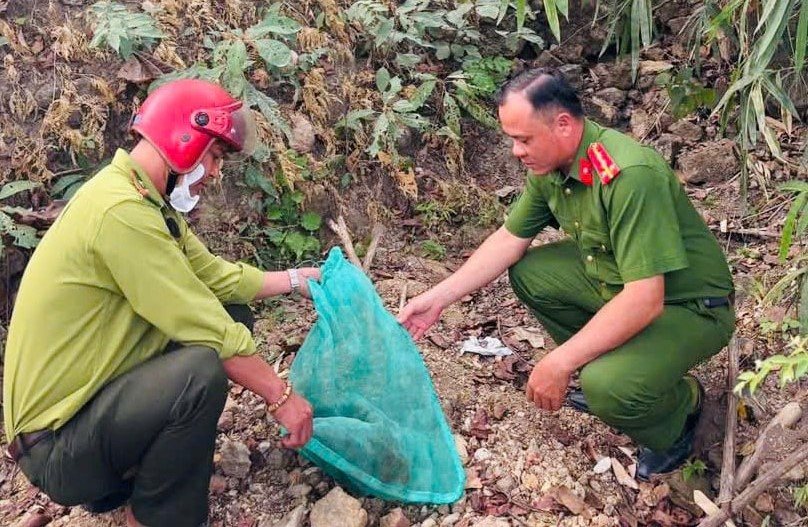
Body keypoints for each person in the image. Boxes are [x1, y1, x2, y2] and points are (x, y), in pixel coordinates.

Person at [3, 79, 319, 527]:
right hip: (57, 448)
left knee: (233, 317)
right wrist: (280, 394)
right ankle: (156, 516)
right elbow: (201, 322)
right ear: (183, 141)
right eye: (213, 157)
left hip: (81, 420)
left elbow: (214, 277)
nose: (214, 173)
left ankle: (143, 474)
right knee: (200, 372)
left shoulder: (142, 200)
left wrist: (294, 280)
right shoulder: (122, 213)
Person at [398, 68, 735, 480]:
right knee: (530, 272)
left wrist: (561, 361)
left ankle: (680, 413)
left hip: (691, 307)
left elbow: (646, 298)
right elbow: (509, 240)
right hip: (620, 284)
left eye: (523, 139)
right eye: (512, 139)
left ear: (562, 124)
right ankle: (624, 367)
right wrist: (435, 300)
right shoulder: (551, 167)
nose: (516, 151)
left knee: (606, 386)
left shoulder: (629, 176)